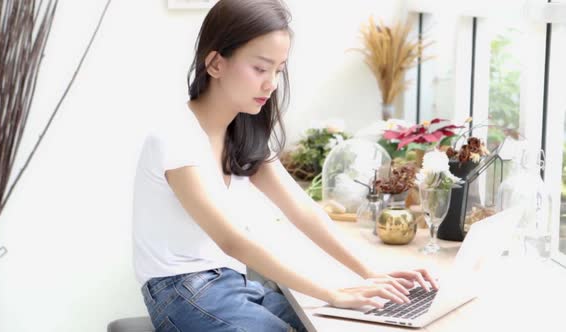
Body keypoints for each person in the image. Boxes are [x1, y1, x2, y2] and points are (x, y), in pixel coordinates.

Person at [132, 0, 438, 331]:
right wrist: (333, 293)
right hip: (181, 292)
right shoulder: (174, 136)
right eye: (260, 69)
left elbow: (304, 211)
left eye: (278, 70)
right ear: (216, 64)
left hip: (235, 286)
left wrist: (371, 272)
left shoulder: (243, 133)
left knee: (344, 321)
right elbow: (231, 241)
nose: (271, 84)